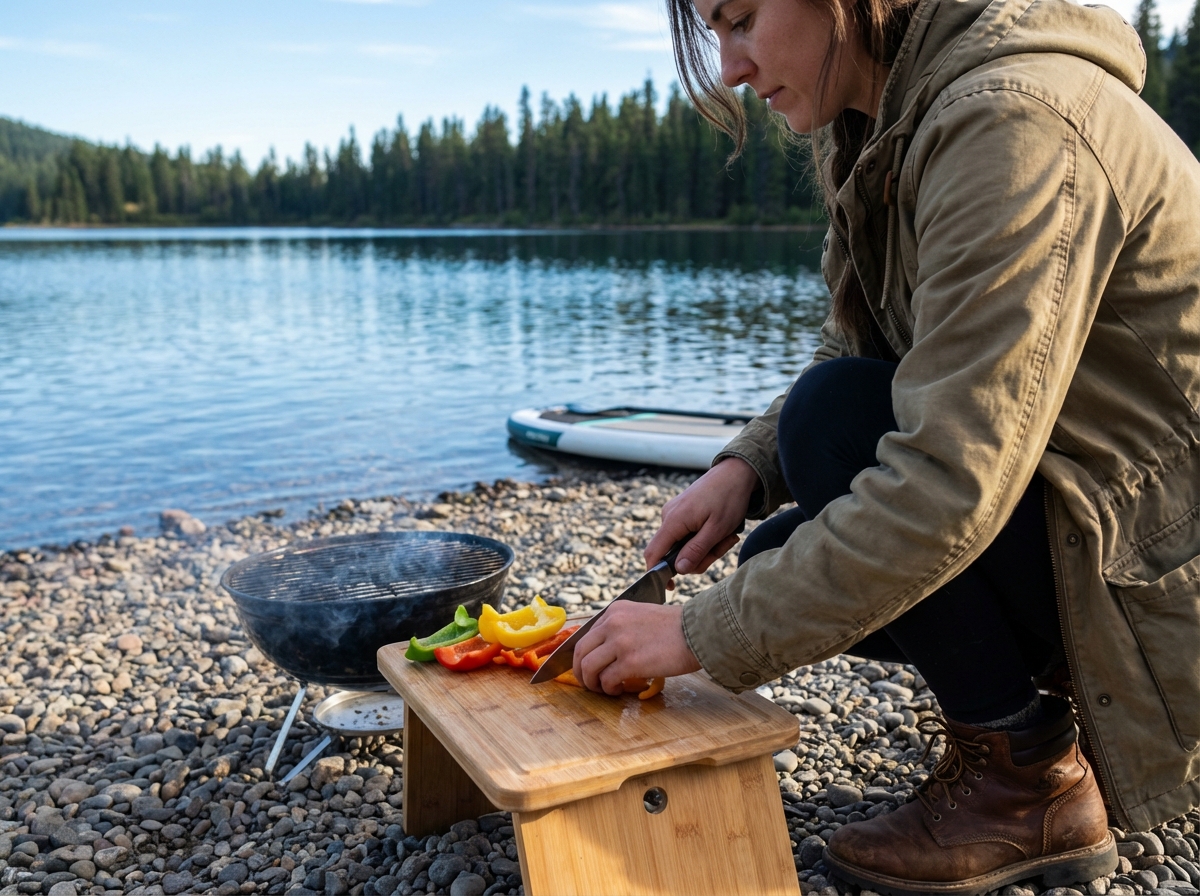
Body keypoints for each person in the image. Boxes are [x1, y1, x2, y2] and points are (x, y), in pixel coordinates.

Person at [568, 0, 1200, 890]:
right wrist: (747, 467)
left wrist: (698, 634)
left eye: (741, 18)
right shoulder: (880, 120)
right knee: (786, 524)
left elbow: (949, 480)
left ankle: (1031, 785)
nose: (729, 69)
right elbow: (862, 341)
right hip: (1098, 520)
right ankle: (1039, 725)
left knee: (831, 430)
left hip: (1172, 585)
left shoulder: (1010, 122)